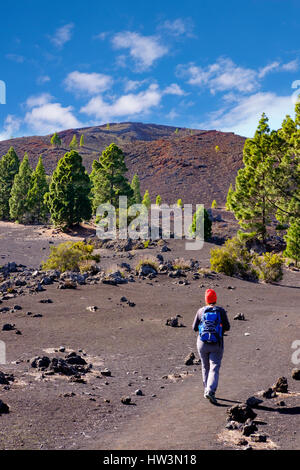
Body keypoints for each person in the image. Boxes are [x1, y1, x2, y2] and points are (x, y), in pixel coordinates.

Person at [192, 288, 230, 405]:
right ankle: (210, 390)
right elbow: (228, 327)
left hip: (202, 344)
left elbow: (194, 327)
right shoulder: (221, 311)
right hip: (216, 344)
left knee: (205, 366)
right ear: (215, 299)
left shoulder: (201, 311)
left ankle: (206, 390)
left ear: (206, 300)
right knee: (214, 367)